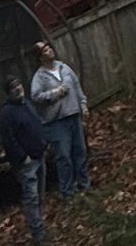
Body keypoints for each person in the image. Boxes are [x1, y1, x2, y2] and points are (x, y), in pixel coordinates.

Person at [30, 39, 91, 198]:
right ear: (40, 57)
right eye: (45, 50)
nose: (49, 50)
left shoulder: (64, 68)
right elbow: (36, 97)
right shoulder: (39, 77)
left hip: (73, 114)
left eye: (49, 47)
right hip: (56, 122)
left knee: (80, 151)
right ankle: (67, 192)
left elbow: (76, 86)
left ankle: (84, 185)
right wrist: (55, 93)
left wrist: (83, 104)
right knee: (64, 157)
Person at [0, 75, 50, 246]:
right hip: (27, 163)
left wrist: (44, 143)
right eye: (13, 87)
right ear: (8, 92)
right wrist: (22, 157)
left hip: (40, 155)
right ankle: (38, 237)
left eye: (19, 84)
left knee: (40, 196)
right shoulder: (7, 113)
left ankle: (42, 228)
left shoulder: (27, 104)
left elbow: (36, 124)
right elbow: (8, 141)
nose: (18, 88)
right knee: (32, 199)